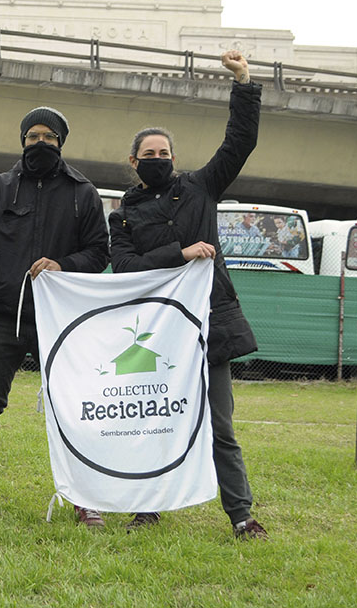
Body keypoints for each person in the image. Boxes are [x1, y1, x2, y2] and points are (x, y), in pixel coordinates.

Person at [107, 50, 268, 540]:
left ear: (174, 159)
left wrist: (244, 84)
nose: (158, 160)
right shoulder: (122, 217)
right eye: (148, 154)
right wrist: (180, 252)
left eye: (164, 153)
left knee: (221, 426)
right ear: (133, 162)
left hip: (210, 323)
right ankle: (147, 506)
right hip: (156, 334)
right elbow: (126, 267)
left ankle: (241, 515)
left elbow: (239, 143)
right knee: (154, 422)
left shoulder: (202, 187)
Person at [0, 106, 110, 521]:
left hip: (61, 319)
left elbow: (100, 252)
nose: (41, 144)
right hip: (5, 314)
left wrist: (62, 265)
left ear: (61, 143)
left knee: (72, 407)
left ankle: (84, 496)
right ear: (22, 141)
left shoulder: (82, 192)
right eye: (33, 136)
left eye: (49, 138)